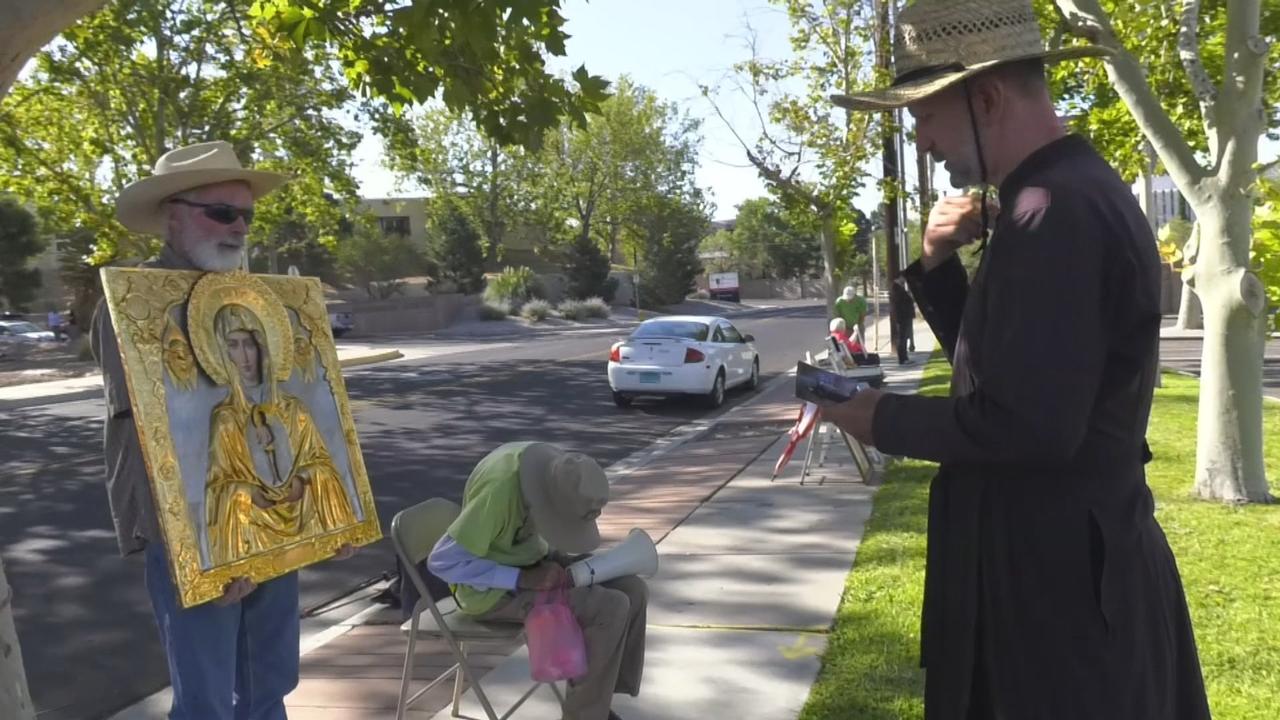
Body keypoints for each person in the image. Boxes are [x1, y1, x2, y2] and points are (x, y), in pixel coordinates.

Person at [824, 2, 1210, 719]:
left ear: (987, 97)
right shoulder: (1051, 196)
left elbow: (1029, 426)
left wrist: (882, 418)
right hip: (1058, 582)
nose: (921, 137)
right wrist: (938, 267)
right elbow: (1012, 369)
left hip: (1058, 608)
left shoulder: (1052, 209)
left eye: (924, 113)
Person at [91, 140, 351, 719]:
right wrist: (210, 554)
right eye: (223, 212)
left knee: (268, 688)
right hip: (199, 530)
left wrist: (327, 516)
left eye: (247, 216)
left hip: (273, 520)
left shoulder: (256, 298)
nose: (239, 228)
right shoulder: (133, 304)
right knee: (207, 703)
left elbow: (294, 411)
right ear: (172, 214)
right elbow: (153, 439)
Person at [428, 442, 646, 720]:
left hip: (531, 560)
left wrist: (551, 561)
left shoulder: (555, 471)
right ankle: (586, 714)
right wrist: (522, 578)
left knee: (633, 589)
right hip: (488, 591)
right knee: (609, 607)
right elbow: (442, 561)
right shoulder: (499, 492)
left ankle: (598, 701)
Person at [204, 304, 356, 566]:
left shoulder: (294, 410)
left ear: (263, 347)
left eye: (250, 344)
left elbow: (324, 465)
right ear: (221, 352)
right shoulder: (226, 420)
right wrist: (251, 493)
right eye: (233, 345)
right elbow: (218, 489)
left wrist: (301, 480)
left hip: (296, 527)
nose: (244, 357)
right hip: (252, 532)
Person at [890, 275, 916, 365]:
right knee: (902, 338)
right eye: (903, 278)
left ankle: (905, 357)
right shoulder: (896, 289)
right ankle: (902, 358)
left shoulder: (899, 288)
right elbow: (900, 303)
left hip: (905, 316)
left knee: (904, 337)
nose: (904, 280)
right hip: (902, 317)